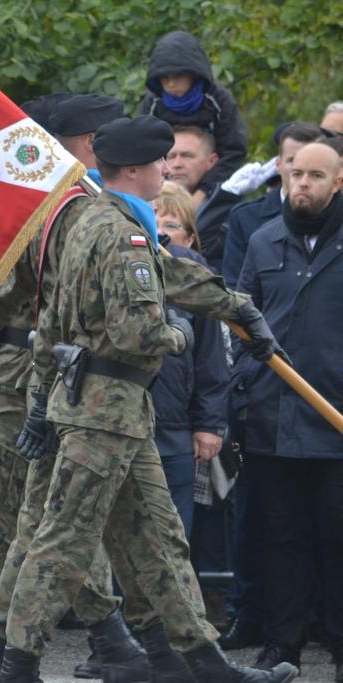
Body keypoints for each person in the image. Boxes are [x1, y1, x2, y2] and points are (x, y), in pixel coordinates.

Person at [0, 115, 296, 683]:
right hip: (103, 414)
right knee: (62, 545)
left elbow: (168, 273)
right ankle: (13, 667)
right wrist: (182, 334)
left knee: (160, 540)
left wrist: (236, 307)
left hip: (111, 411)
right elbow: (140, 331)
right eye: (160, 161)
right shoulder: (123, 233)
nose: (168, 168)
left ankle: (200, 662)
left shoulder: (88, 217)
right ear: (134, 169)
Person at [0, 93, 144, 683]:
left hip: (21, 368)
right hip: (29, 373)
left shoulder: (42, 196)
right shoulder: (64, 202)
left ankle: (96, 641)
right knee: (24, 517)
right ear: (90, 143)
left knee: (40, 517)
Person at [237, 142, 343, 677]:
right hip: (273, 418)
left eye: (315, 176)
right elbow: (237, 320)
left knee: (337, 533)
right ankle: (284, 644)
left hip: (335, 421)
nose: (302, 184)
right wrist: (246, 381)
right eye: (295, 173)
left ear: (338, 182)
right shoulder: (262, 241)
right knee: (280, 538)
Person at [151, 181, 229, 534]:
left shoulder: (196, 273)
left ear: (191, 236)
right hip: (123, 422)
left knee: (174, 533)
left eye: (171, 224)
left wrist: (208, 424)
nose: (160, 231)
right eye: (152, 219)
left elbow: (211, 358)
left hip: (175, 427)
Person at [139, 31, 247, 203]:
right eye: (164, 78)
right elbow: (143, 152)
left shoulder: (218, 99)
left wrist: (204, 192)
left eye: (177, 76)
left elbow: (234, 151)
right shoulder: (153, 103)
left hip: (214, 187)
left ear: (194, 73)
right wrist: (163, 191)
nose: (171, 84)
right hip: (162, 189)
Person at [222, 122, 322, 288]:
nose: (301, 169)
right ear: (278, 164)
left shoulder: (336, 218)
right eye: (292, 160)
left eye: (311, 162)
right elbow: (234, 288)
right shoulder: (245, 218)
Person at [166, 127, 219, 204]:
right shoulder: (147, 206)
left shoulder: (232, 212)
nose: (176, 164)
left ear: (211, 161)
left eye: (186, 156)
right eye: (171, 157)